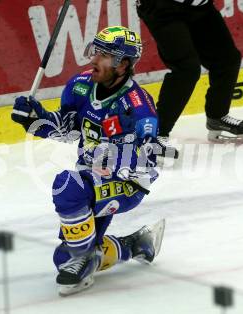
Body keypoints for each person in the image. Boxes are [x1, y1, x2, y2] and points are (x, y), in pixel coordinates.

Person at [11, 26, 165, 296]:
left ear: (123, 64)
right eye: (96, 51)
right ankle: (134, 245)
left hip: (126, 183)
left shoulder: (137, 102)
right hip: (92, 177)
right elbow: (68, 129)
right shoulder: (80, 85)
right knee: (63, 259)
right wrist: (36, 121)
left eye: (104, 55)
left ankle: (85, 255)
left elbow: (148, 140)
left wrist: (147, 147)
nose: (94, 59)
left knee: (67, 186)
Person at [136, 0, 243, 159]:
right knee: (187, 70)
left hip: (199, 6)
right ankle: (155, 135)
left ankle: (217, 117)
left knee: (227, 59)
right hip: (162, 8)